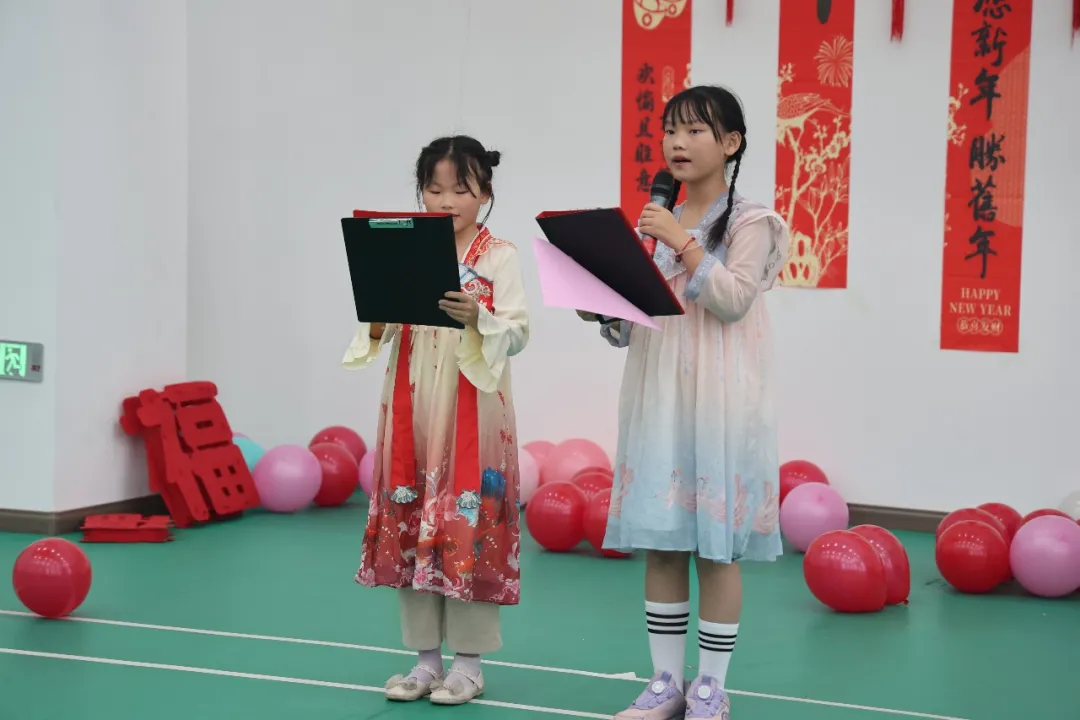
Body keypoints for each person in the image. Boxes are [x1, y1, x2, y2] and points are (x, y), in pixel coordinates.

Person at [581, 85, 790, 719]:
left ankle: (711, 689)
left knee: (715, 548)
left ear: (731, 143)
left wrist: (680, 240)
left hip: (721, 400)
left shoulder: (751, 222)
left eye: (695, 130)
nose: (677, 142)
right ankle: (666, 684)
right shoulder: (653, 223)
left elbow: (733, 299)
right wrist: (603, 307)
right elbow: (638, 322)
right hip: (660, 396)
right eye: (671, 130)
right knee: (665, 542)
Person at [343, 135, 529, 706]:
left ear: (485, 194)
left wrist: (480, 316)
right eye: (434, 188)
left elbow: (518, 333)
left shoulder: (499, 255)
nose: (446, 201)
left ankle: (469, 664)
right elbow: (380, 330)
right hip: (412, 405)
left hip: (472, 407)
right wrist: (376, 319)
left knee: (467, 519)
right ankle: (425, 660)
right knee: (412, 514)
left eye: (461, 189)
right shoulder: (403, 250)